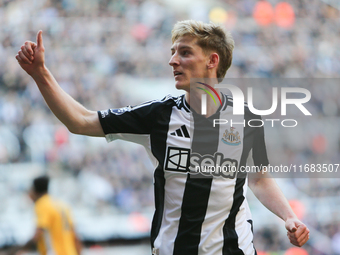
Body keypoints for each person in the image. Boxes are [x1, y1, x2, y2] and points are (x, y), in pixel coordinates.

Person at [16, 20, 309, 254]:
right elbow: (80, 121)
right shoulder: (158, 116)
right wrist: (41, 74)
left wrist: (288, 216)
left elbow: (258, 178)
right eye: (172, 52)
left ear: (212, 60)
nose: (172, 61)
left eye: (184, 52)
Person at [11, 176, 82, 255]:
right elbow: (75, 237)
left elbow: (39, 232)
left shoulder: (42, 204)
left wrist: (19, 250)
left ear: (34, 190)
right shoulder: (62, 205)